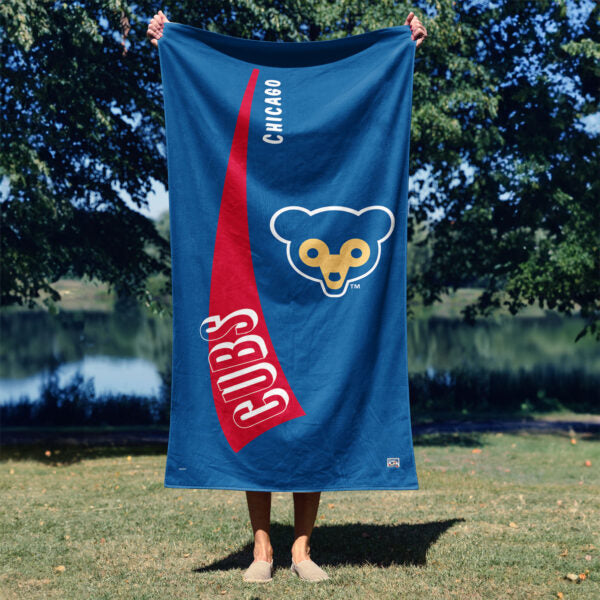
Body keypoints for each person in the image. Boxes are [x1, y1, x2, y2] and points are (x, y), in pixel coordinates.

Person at [146, 8, 427, 584]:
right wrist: (170, 42)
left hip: (325, 310)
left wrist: (402, 47)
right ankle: (262, 550)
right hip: (254, 283)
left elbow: (372, 91)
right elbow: (200, 79)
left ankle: (301, 550)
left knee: (316, 415)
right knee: (256, 408)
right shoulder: (235, 89)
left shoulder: (338, 99)